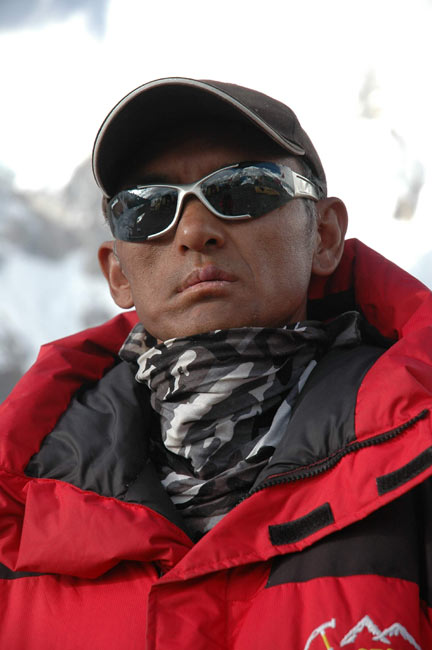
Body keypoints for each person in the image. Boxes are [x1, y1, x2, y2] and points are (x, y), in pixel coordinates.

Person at [0, 77, 431, 650]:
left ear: (324, 235)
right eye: (148, 208)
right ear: (118, 273)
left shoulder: (418, 471)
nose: (195, 231)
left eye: (244, 188)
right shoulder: (18, 522)